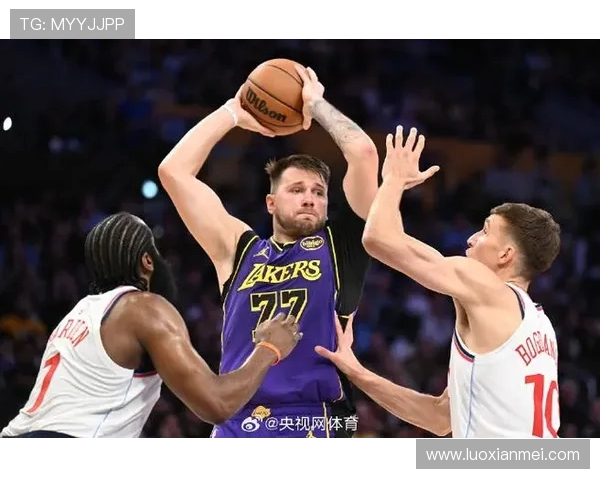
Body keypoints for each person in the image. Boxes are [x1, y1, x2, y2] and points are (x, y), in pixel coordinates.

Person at [158, 66, 379, 438]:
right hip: (236, 418)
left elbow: (364, 153)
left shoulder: (343, 248)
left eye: (318, 192)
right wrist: (233, 111)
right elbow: (173, 172)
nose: (309, 198)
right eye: (296, 190)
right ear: (271, 203)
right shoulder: (240, 250)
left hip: (312, 419)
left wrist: (316, 104)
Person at [316, 126, 562, 439]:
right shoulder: (541, 326)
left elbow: (380, 239)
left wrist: (394, 179)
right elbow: (440, 418)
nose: (471, 239)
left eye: (485, 231)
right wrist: (355, 371)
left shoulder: (487, 287)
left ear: (505, 255)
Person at [1, 212, 301, 438]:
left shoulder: (78, 313)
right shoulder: (144, 306)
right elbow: (217, 405)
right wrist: (269, 348)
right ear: (147, 261)